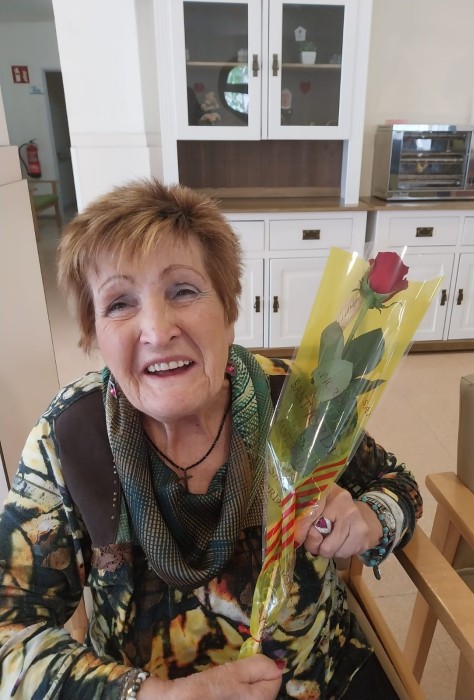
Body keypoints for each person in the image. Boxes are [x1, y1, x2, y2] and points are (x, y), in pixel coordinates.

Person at [0, 180, 422, 699]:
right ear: (93, 333)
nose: (157, 330)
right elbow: (9, 631)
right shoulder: (71, 433)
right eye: (120, 303)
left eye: (183, 291)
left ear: (228, 310)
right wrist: (160, 696)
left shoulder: (295, 399)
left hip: (322, 680)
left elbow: (397, 484)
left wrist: (369, 519)